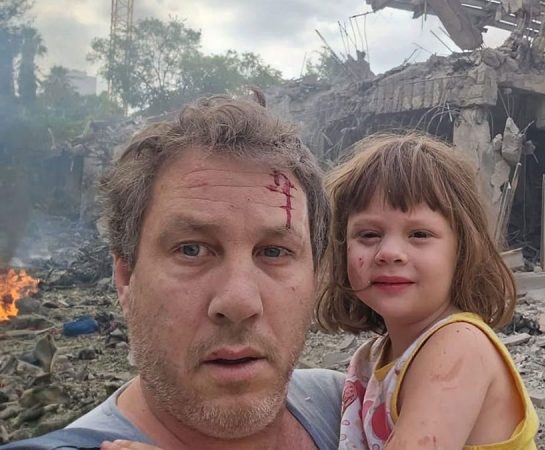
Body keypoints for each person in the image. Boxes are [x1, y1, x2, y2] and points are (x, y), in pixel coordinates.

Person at [0, 91, 344, 450]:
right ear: (126, 278)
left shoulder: (349, 408)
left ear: (317, 277)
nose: (239, 302)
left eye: (274, 251)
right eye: (192, 249)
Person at [316, 133, 539, 449]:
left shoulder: (460, 345)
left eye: (419, 234)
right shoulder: (372, 357)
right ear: (342, 249)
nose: (389, 252)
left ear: (462, 251)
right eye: (368, 234)